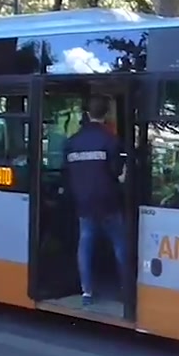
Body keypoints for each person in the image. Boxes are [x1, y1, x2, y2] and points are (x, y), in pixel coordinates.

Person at [62, 95, 126, 307]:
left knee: (85, 245)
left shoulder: (72, 142)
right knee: (119, 244)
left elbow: (68, 173)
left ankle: (86, 292)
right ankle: (126, 288)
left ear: (87, 114)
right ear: (106, 113)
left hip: (83, 203)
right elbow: (118, 173)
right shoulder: (110, 140)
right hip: (108, 203)